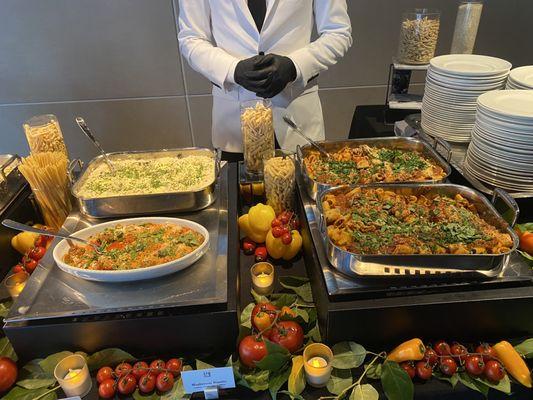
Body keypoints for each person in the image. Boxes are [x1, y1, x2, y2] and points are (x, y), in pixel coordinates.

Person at [178, 0, 352, 160]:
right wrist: (232, 70)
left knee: (303, 192)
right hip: (232, 124)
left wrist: (294, 66)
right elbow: (191, 38)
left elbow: (338, 32)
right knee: (238, 192)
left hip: (297, 119)